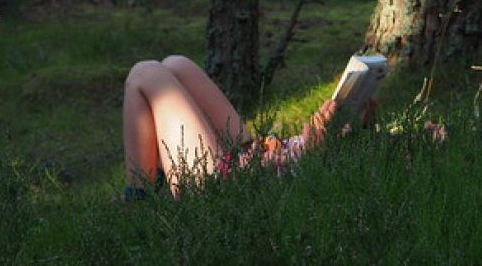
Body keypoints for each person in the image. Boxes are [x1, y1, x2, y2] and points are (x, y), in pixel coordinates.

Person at [122, 55, 374, 200]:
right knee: (177, 65)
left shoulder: (329, 182)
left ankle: (140, 200)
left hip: (219, 186)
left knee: (145, 73)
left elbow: (293, 171)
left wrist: (313, 145)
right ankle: (159, 180)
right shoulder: (355, 156)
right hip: (248, 159)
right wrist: (352, 129)